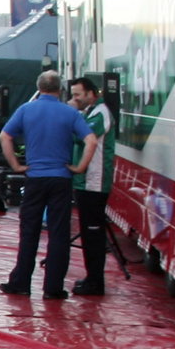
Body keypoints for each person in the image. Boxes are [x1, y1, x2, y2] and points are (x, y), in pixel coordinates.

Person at [0, 69, 95, 299]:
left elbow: (5, 136)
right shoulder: (70, 113)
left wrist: (16, 165)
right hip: (61, 177)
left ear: (39, 87)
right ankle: (53, 287)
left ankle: (21, 282)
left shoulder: (26, 109)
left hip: (35, 176)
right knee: (59, 232)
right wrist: (80, 167)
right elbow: (91, 140)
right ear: (60, 89)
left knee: (29, 230)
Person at [68, 75, 115, 296]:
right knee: (88, 232)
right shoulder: (88, 113)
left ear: (91, 94)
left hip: (94, 182)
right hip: (85, 181)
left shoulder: (101, 113)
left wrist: (70, 115)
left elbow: (83, 136)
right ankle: (92, 277)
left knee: (93, 233)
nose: (75, 98)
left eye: (78, 95)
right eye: (73, 95)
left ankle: (96, 282)